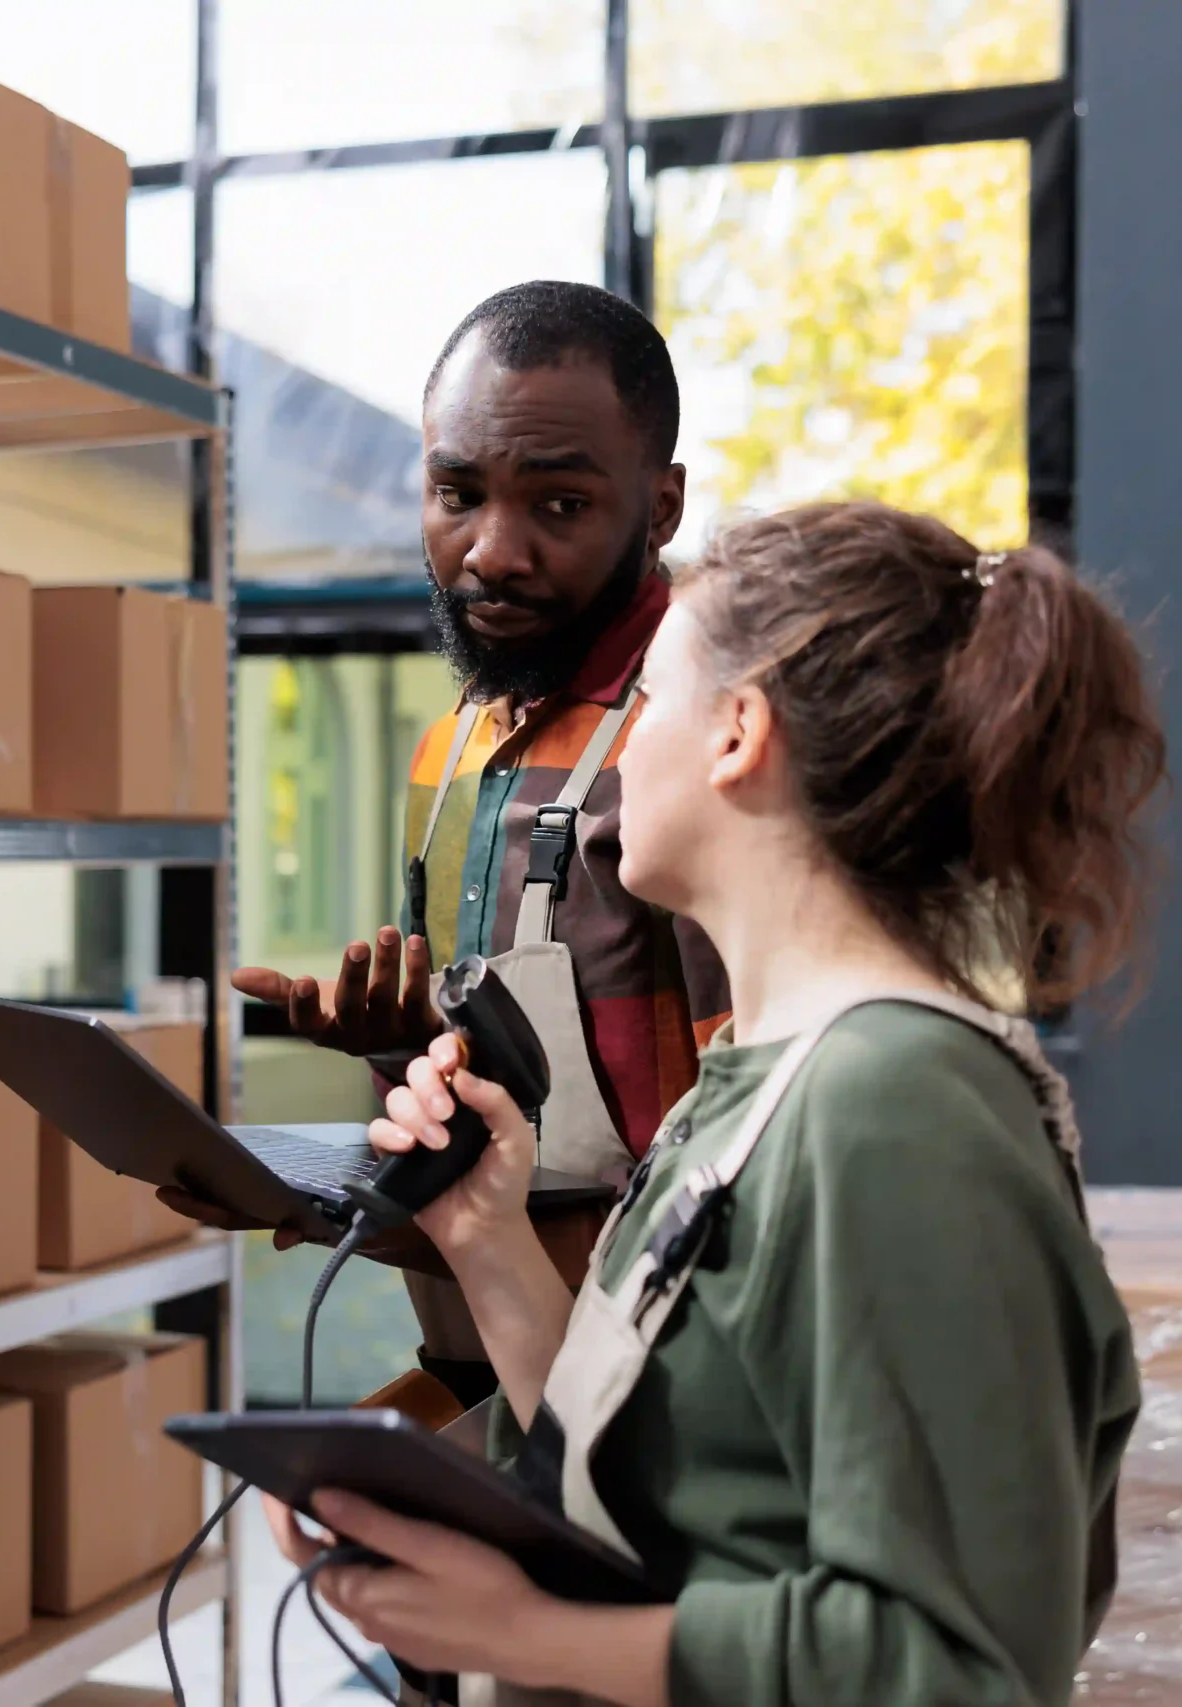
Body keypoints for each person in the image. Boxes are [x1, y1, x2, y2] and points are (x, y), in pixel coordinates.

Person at [267, 501, 1165, 1706]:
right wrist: (483, 1233)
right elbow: (660, 1479)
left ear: (738, 733)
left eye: (647, 703)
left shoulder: (897, 1110)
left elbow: (958, 1665)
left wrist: (523, 1634)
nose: (619, 749)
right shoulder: (757, 1076)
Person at [187, 282, 730, 1403]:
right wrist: (400, 1044)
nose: (493, 553)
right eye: (457, 493)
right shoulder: (454, 748)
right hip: (474, 1343)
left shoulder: (700, 737)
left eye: (561, 506)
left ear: (661, 507)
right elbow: (490, 1108)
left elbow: (755, 1127)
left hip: (650, 1382)